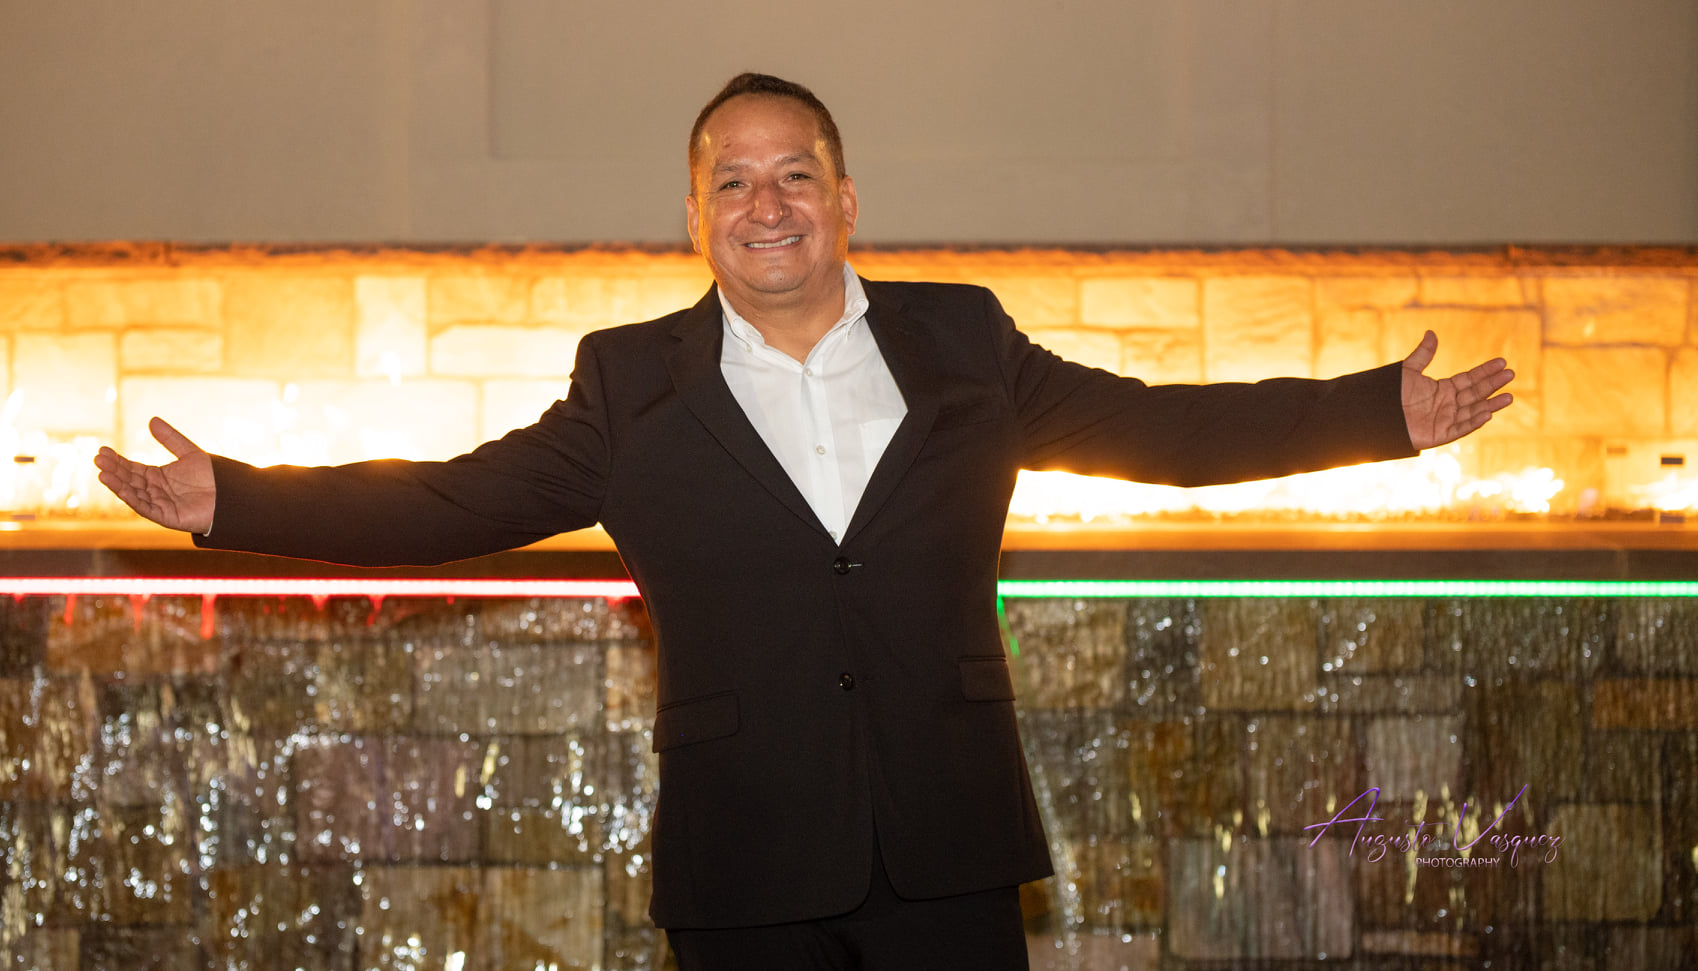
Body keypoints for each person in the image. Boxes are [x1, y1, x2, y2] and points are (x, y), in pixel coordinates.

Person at [96, 72, 1514, 970]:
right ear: (695, 215)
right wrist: (239, 499)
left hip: (948, 845)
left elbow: (1166, 430)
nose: (764, 203)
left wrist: (1372, 414)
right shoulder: (631, 384)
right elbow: (452, 500)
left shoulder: (962, 343)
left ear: (844, 199)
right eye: (732, 179)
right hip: (747, 857)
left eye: (793, 175)